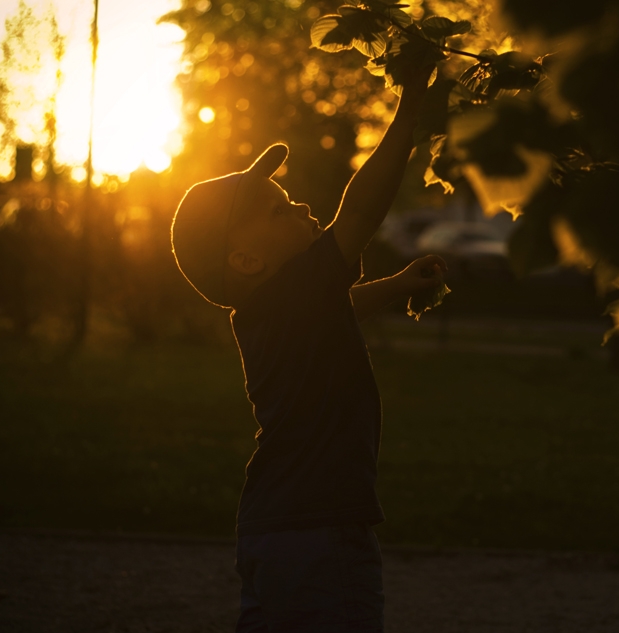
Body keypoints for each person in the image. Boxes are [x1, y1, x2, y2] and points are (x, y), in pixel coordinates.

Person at [169, 66, 443, 632]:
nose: (300, 209)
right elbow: (362, 212)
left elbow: (337, 313)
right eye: (279, 209)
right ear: (246, 261)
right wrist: (409, 112)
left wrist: (395, 287)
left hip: (274, 527)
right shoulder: (295, 293)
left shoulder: (273, 311)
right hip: (320, 529)